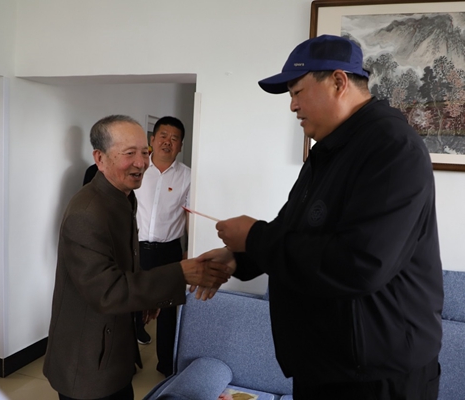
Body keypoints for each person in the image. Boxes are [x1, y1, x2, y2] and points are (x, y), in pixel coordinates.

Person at [199, 35, 443, 400]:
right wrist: (240, 257)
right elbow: (296, 231)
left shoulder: (391, 147)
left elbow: (361, 263)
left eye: (297, 92)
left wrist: (254, 238)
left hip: (375, 376)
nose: (292, 106)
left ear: (338, 82)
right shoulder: (329, 151)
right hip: (324, 364)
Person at [43, 115, 230, 400]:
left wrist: (146, 300)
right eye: (129, 153)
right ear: (100, 158)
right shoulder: (87, 213)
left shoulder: (122, 196)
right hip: (88, 361)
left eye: (144, 152)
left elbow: (123, 267)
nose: (141, 163)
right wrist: (181, 273)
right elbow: (107, 291)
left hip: (113, 356)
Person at [133, 116, 190, 377]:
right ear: (152, 139)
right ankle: (127, 362)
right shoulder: (137, 169)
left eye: (174, 138)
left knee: (168, 312)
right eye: (163, 136)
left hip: (169, 251)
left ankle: (166, 366)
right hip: (136, 248)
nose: (168, 142)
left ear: (180, 146)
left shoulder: (187, 176)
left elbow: (189, 216)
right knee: (129, 304)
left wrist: (190, 249)